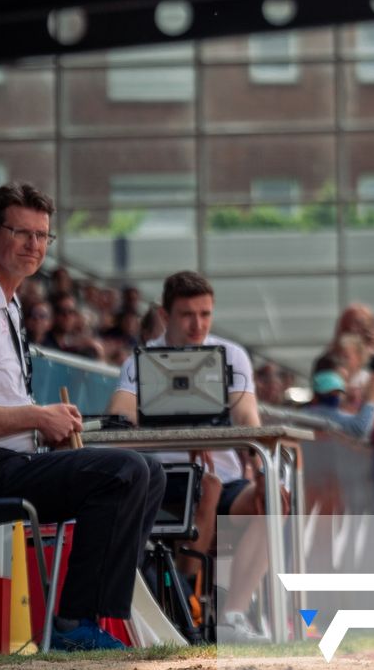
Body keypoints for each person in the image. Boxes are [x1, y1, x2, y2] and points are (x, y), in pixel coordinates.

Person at [0, 182, 165, 652]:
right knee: (124, 471)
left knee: (150, 473)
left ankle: (99, 619)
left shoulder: (7, 303)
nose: (34, 245)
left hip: (7, 465)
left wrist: (45, 427)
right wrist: (38, 417)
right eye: (22, 233)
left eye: (43, 236)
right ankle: (75, 624)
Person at [106, 269, 259, 633]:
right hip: (166, 482)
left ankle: (232, 616)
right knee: (207, 485)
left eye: (205, 314)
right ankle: (185, 604)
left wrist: (247, 453)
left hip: (225, 482)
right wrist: (185, 435)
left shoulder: (232, 356)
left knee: (275, 497)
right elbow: (119, 417)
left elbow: (247, 418)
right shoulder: (142, 360)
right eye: (187, 315)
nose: (197, 324)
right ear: (164, 315)